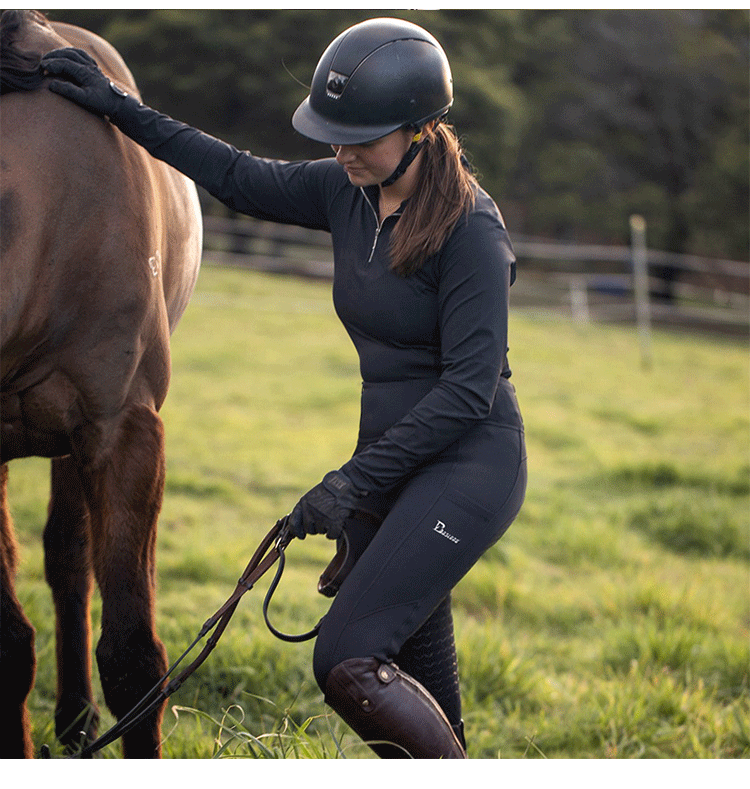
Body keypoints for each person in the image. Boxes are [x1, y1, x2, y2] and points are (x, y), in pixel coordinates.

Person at [42, 16, 527, 759]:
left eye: (360, 135)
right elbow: (234, 174)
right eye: (333, 133)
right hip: (394, 465)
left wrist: (349, 486)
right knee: (423, 681)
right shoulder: (346, 191)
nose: (340, 150)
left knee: (349, 658)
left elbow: (468, 391)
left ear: (422, 130)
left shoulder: (472, 234)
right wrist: (118, 107)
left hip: (468, 465)